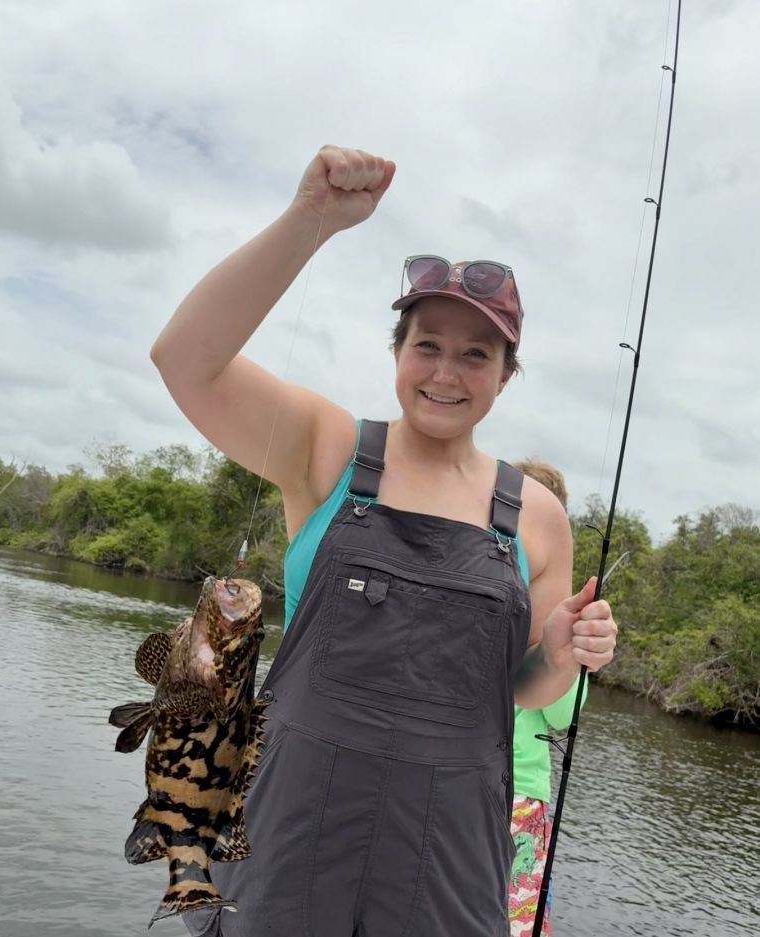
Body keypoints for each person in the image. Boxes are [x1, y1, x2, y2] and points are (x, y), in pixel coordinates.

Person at [150, 145, 617, 937]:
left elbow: (523, 687)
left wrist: (563, 652)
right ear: (397, 353)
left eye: (477, 353)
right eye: (427, 344)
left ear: (506, 375)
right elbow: (184, 358)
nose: (447, 370)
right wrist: (310, 221)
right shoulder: (326, 448)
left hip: (452, 859)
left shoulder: (537, 515)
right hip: (288, 837)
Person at [508, 458, 584, 937]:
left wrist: (567, 652)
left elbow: (559, 713)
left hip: (520, 797)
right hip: (447, 779)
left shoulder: (563, 614)